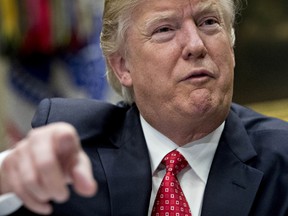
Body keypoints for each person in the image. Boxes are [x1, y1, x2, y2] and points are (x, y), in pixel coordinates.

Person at [1, 0, 288, 215]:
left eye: (209, 22)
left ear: (232, 47)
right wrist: (7, 178)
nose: (195, 44)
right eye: (165, 29)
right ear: (123, 66)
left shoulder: (282, 159)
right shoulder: (74, 149)